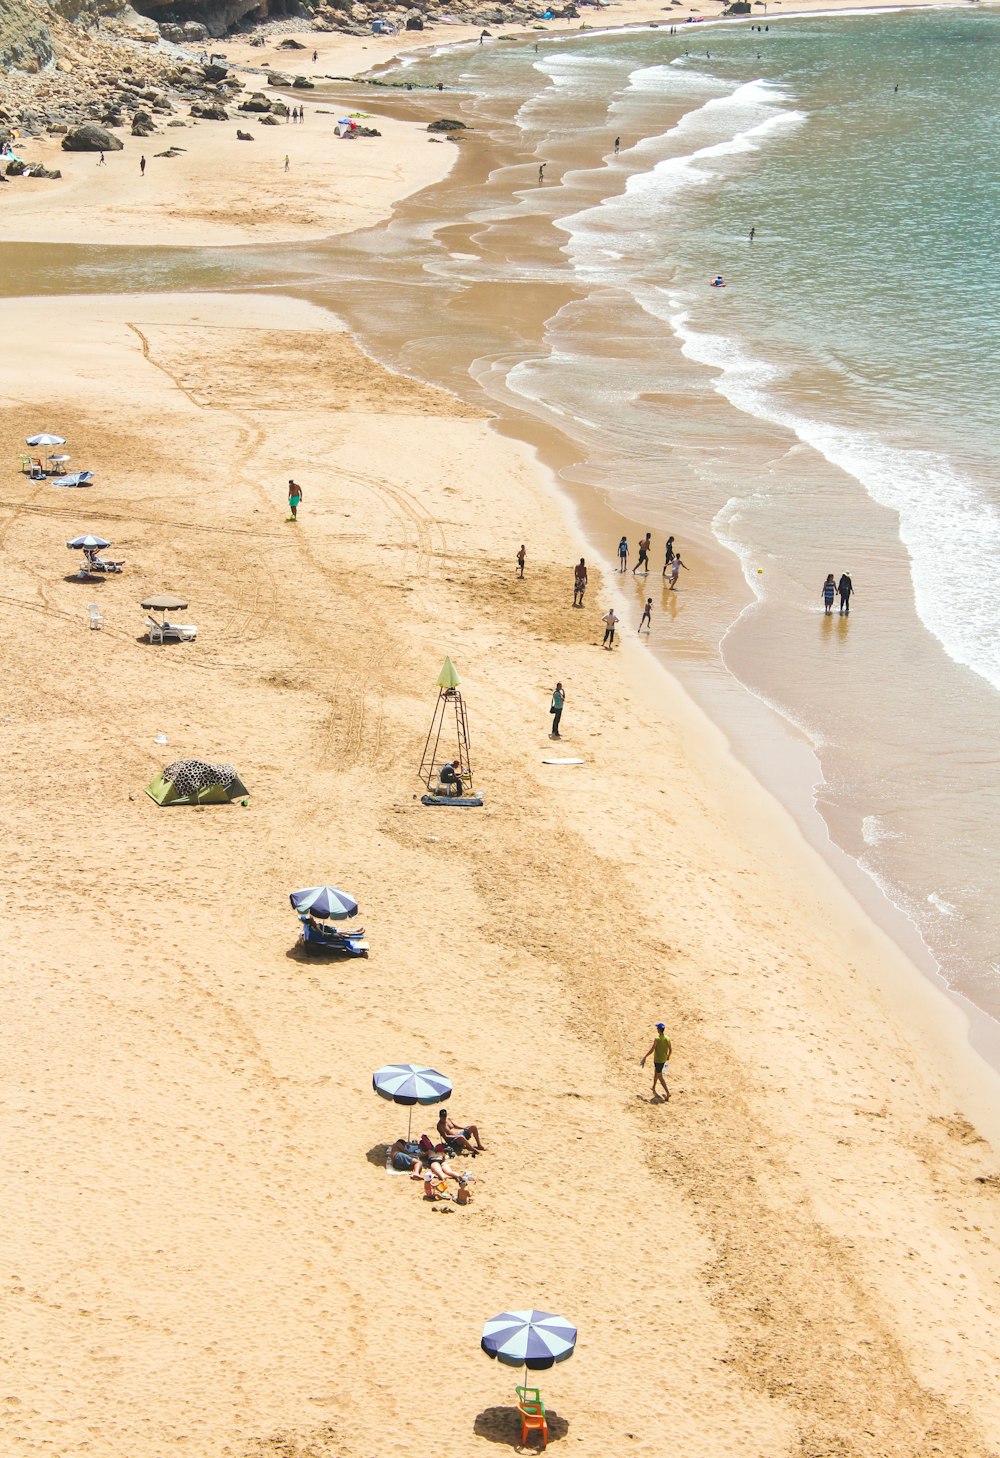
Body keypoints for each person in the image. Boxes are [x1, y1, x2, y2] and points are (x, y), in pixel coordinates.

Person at [640, 1022, 672, 1100]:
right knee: (656, 1073)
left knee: (660, 1076)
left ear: (659, 1030)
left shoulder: (657, 1039)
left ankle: (668, 1092)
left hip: (658, 1060)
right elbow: (670, 1049)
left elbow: (652, 1049)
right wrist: (668, 1056)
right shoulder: (667, 1038)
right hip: (664, 1060)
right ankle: (653, 1087)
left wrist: (645, 1057)